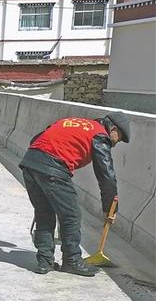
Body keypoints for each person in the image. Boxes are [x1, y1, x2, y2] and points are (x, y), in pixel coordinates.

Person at [19, 112, 130, 276]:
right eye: (118, 139)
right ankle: (72, 261)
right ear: (113, 129)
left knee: (44, 213)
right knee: (71, 215)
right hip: (53, 168)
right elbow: (106, 175)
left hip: (30, 163)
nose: (115, 143)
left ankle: (44, 261)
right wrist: (110, 207)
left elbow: (38, 138)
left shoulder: (73, 122)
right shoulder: (100, 135)